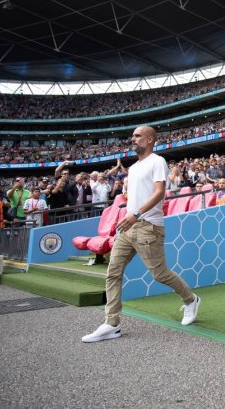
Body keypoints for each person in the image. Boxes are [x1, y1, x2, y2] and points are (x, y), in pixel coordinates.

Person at [82, 126, 200, 343]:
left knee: (160, 274)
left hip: (148, 226)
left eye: (138, 136)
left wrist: (135, 214)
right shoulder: (134, 167)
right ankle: (112, 323)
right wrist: (128, 216)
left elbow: (159, 193)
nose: (133, 139)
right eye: (133, 136)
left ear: (151, 139)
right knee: (113, 273)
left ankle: (191, 300)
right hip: (128, 227)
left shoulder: (157, 161)